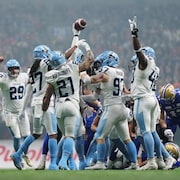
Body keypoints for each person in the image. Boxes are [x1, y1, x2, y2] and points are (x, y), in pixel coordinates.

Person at [42, 39, 94, 170]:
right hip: (72, 105)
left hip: (58, 107)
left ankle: (69, 163)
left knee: (66, 137)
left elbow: (46, 98)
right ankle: (64, 161)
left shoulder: (51, 75)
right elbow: (90, 61)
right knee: (70, 136)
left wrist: (44, 109)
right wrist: (86, 47)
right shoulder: (73, 67)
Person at [82, 50, 138, 170]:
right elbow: (94, 97)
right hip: (121, 109)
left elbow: (88, 81)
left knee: (100, 136)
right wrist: (81, 98)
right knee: (127, 139)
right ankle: (134, 164)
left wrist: (82, 73)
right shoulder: (119, 73)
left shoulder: (106, 71)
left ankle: (101, 163)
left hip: (111, 108)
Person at [10, 45, 60, 170]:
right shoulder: (44, 63)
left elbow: (28, 92)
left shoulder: (30, 70)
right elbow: (56, 59)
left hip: (34, 103)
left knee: (36, 133)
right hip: (46, 103)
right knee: (53, 134)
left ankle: (18, 153)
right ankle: (53, 163)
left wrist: (22, 110)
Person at [128, 16, 165, 170]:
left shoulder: (145, 62)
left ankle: (151, 160)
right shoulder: (155, 68)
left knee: (145, 132)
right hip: (151, 99)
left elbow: (138, 52)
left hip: (143, 100)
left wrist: (134, 35)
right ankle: (161, 159)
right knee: (150, 131)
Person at [0, 59, 32, 168]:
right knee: (17, 137)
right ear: (7, 70)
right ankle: (17, 159)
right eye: (12, 69)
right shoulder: (3, 79)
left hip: (22, 112)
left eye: (16, 68)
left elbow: (34, 78)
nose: (14, 71)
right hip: (9, 113)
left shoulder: (23, 77)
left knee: (27, 136)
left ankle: (24, 154)